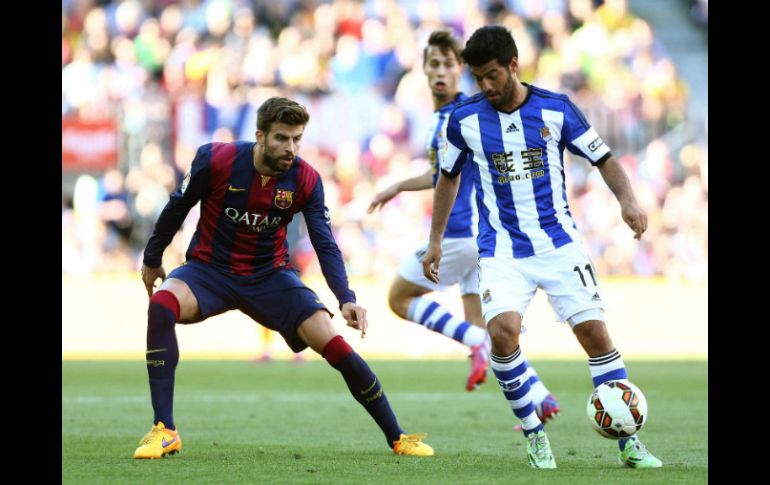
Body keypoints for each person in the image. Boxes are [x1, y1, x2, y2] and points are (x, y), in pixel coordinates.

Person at [134, 96, 433, 459]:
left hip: (270, 276)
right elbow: (177, 206)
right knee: (162, 304)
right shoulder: (215, 160)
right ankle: (165, 430)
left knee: (333, 343)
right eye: (281, 138)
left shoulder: (306, 178)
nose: (290, 148)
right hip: (209, 270)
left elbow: (324, 241)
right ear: (260, 136)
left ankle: (398, 437)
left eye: (296, 139)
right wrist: (152, 258)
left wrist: (346, 297)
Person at [422, 26, 662, 469]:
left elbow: (604, 158)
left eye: (493, 75)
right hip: (500, 251)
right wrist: (434, 240)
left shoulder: (556, 108)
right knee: (502, 334)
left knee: (594, 334)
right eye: (478, 78)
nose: (486, 86)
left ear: (514, 65)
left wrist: (628, 200)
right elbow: (448, 177)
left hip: (559, 244)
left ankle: (629, 441)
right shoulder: (465, 120)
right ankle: (534, 434)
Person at [368, 30, 561, 423]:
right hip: (486, 237)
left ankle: (475, 344)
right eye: (434, 64)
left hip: (459, 233)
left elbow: (447, 177)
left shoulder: (457, 117)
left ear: (462, 70)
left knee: (398, 297)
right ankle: (540, 396)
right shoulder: (455, 116)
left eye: (449, 64)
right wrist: (399, 186)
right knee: (492, 332)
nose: (441, 71)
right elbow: (440, 171)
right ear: (423, 69)